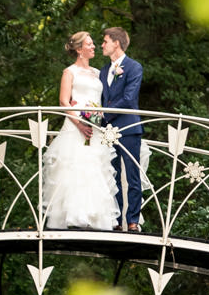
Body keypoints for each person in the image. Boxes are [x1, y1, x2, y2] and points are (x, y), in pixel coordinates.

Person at [41, 31, 119, 231]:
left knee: (94, 170)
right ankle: (75, 218)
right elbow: (64, 101)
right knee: (75, 169)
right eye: (90, 44)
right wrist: (79, 122)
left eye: (94, 44)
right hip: (76, 127)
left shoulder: (97, 72)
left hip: (94, 128)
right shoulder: (70, 72)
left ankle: (94, 219)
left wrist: (96, 117)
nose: (94, 47)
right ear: (79, 49)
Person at [100, 27, 143, 231]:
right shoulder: (102, 71)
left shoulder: (134, 67)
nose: (102, 45)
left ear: (116, 43)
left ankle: (132, 220)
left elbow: (128, 98)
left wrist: (104, 114)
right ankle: (116, 220)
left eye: (105, 41)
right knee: (112, 175)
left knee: (132, 176)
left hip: (129, 128)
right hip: (107, 131)